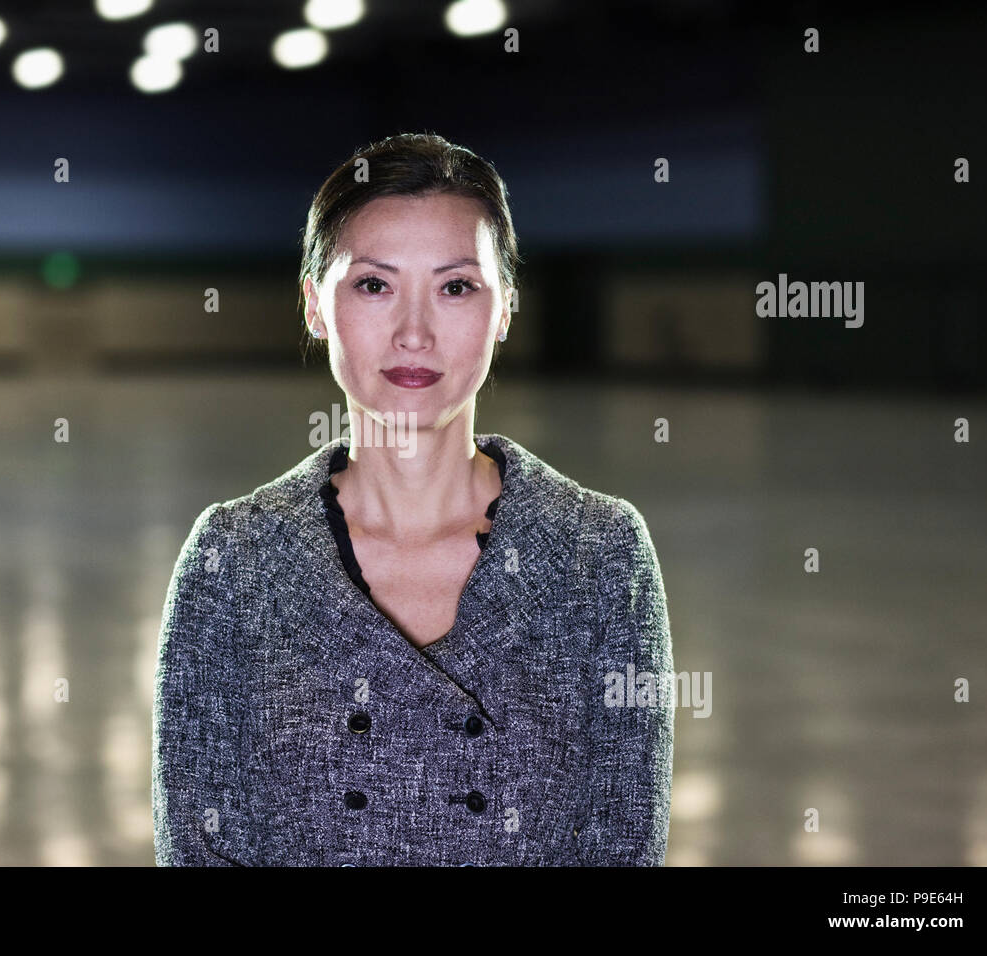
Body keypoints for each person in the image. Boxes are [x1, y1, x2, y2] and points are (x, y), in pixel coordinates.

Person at [152, 132, 673, 866]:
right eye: (374, 284)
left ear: (505, 309)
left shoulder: (601, 554)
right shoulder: (233, 561)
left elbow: (625, 840)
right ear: (314, 306)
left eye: (456, 286)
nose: (415, 332)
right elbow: (201, 848)